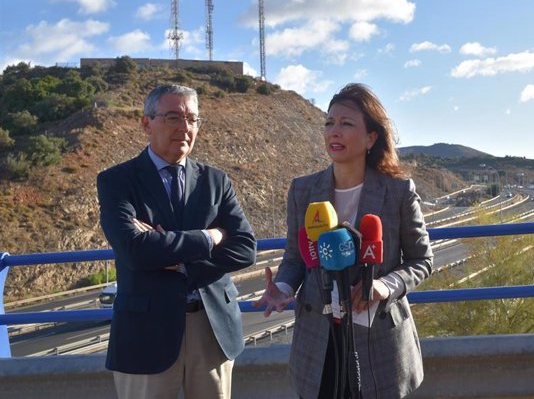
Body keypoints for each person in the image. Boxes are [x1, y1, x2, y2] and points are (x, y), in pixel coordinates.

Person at [254, 83, 433, 399]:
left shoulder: (398, 192)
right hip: (319, 344)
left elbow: (421, 260)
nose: (334, 132)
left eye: (346, 124)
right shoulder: (302, 191)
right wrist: (282, 288)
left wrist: (384, 286)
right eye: (329, 123)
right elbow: (296, 258)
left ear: (371, 137)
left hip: (379, 343)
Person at [97, 84, 257, 399]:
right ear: (146, 123)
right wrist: (209, 237)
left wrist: (173, 256)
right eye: (173, 117)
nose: (185, 128)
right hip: (146, 335)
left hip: (211, 331)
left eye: (192, 119)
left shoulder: (215, 180)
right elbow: (135, 251)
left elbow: (244, 248)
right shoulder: (117, 181)